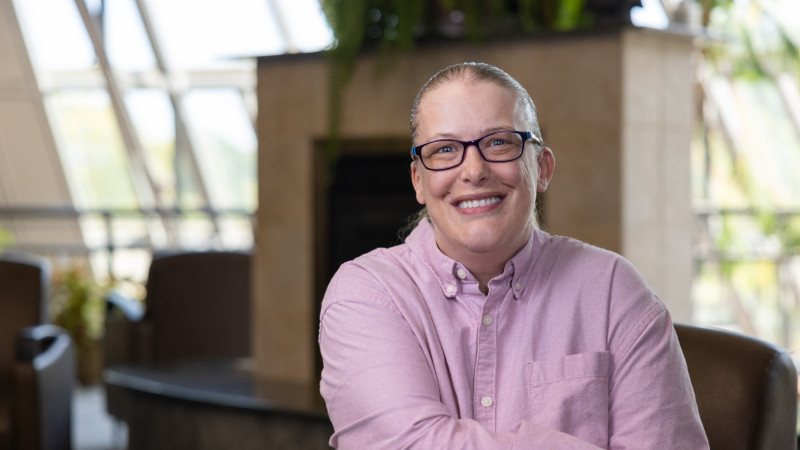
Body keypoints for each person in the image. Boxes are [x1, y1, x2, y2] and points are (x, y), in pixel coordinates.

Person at [318, 62, 708, 449]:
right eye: (445, 149)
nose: (474, 171)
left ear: (542, 167)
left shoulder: (613, 291)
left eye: (499, 143)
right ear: (419, 181)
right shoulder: (365, 295)